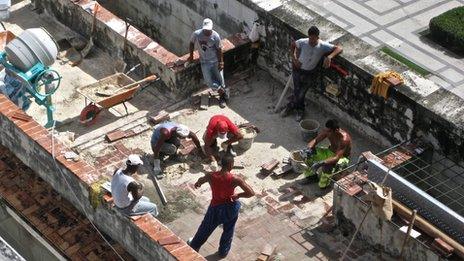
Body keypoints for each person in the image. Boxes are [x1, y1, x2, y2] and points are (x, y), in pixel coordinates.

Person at [188, 155, 255, 258]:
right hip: (230, 209)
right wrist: (238, 195)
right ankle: (223, 252)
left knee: (205, 228)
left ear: (221, 164)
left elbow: (200, 180)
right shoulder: (236, 179)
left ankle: (194, 246)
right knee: (228, 230)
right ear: (231, 165)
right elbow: (251, 193)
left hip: (215, 208)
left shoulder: (211, 176)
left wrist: (198, 183)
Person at [281, 26, 343, 122]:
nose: (311, 41)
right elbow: (293, 45)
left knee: (301, 93)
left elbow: (339, 48)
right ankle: (296, 108)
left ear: (317, 37)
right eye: (310, 38)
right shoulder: (303, 42)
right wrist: (294, 59)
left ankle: (295, 108)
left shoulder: (322, 46)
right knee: (297, 91)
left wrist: (330, 57)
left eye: (313, 39)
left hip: (310, 73)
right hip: (298, 70)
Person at [188, 18, 229, 108]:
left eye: (208, 29)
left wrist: (221, 62)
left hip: (215, 60)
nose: (207, 31)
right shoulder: (197, 34)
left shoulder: (215, 36)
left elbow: (219, 49)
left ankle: (222, 98)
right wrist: (191, 56)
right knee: (208, 80)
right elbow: (191, 43)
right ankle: (221, 91)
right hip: (204, 61)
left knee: (220, 79)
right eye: (205, 29)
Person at [300, 119, 351, 189]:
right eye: (326, 130)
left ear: (336, 130)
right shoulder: (328, 131)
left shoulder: (344, 139)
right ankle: (311, 177)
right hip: (329, 152)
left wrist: (321, 163)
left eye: (329, 131)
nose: (327, 132)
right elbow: (315, 140)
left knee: (327, 166)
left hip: (341, 158)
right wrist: (309, 149)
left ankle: (324, 186)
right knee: (307, 155)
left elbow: (336, 158)